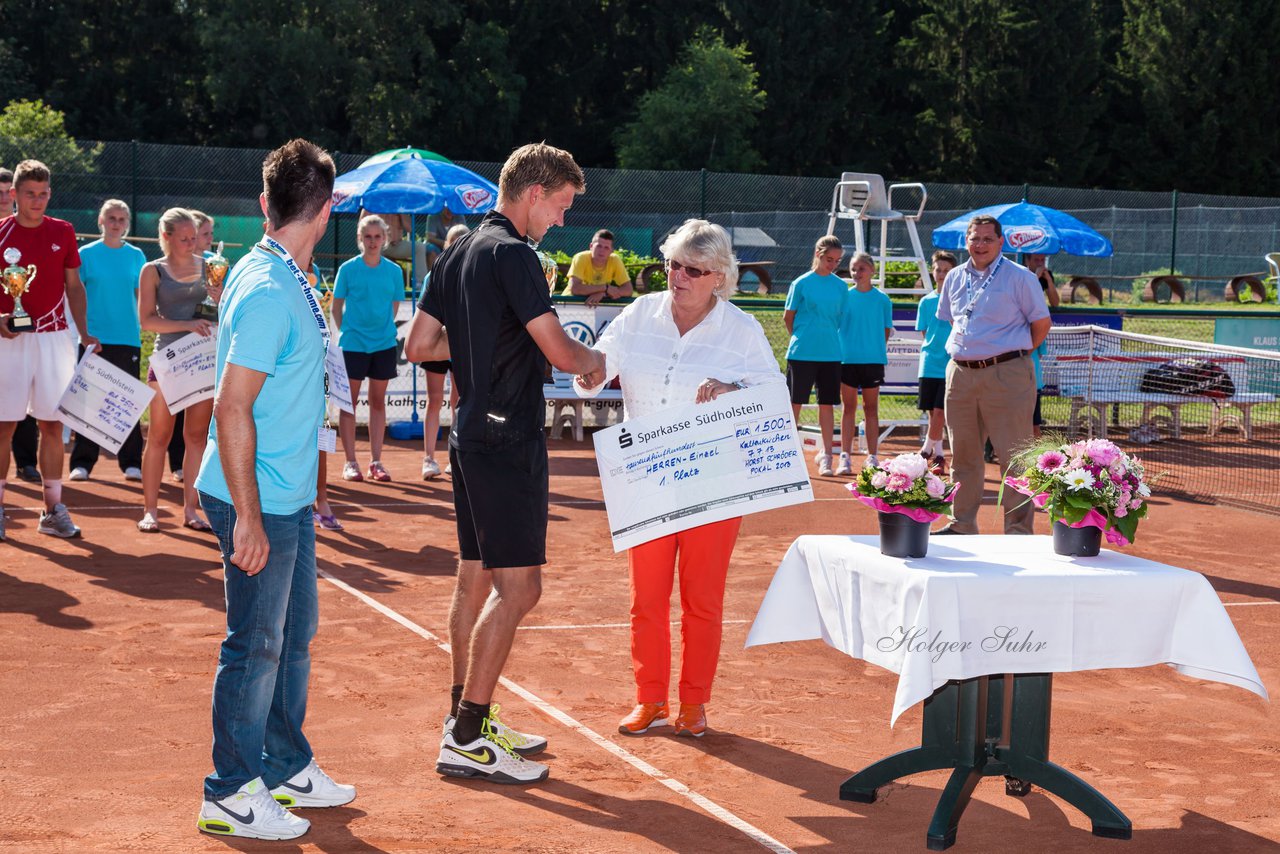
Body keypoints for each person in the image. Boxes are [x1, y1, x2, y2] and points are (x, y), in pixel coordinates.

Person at [404, 141, 603, 785]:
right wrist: (609, 360)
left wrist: (473, 364)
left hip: (468, 435)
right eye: (563, 206)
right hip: (505, 438)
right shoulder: (516, 255)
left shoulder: (458, 250)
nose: (563, 221)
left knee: (476, 579)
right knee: (521, 588)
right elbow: (565, 354)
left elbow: (418, 345)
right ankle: (465, 734)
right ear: (536, 193)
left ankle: (467, 718)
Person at [194, 139, 354, 841]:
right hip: (255, 496)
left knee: (293, 636)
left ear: (267, 206)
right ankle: (230, 791)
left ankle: (284, 764)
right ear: (324, 211)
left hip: (286, 495)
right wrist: (248, 520)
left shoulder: (283, 271)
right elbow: (231, 406)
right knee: (254, 645)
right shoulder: (266, 290)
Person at [575, 219, 784, 738]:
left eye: (693, 269)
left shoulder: (741, 328)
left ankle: (694, 703)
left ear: (719, 277)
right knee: (645, 600)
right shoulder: (638, 312)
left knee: (702, 601)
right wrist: (590, 372)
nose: (679, 276)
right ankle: (650, 700)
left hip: (713, 483)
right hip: (644, 477)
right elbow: (602, 361)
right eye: (673, 264)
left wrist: (732, 387)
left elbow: (774, 393)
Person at [0, 159, 99, 540]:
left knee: (52, 424)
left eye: (43, 194)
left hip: (56, 338)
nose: (37, 201)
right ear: (15, 195)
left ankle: (53, 510)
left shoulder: (63, 231)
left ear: (50, 194)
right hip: (9, 342)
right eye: (29, 194)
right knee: (4, 425)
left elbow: (73, 286)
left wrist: (86, 333)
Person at [934, 215, 1051, 536]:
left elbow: (1041, 323)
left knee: (1014, 456)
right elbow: (952, 321)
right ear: (966, 241)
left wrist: (1014, 356)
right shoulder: (954, 278)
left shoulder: (1020, 277)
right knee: (963, 456)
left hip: (1008, 374)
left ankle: (1017, 531)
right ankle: (961, 525)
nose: (980, 245)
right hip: (960, 375)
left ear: (1002, 243)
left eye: (988, 239)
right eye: (975, 238)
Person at [137, 208, 217, 533]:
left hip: (202, 361)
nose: (191, 243)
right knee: (158, 436)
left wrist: (218, 298)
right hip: (168, 362)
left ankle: (191, 510)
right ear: (166, 236)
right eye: (183, 238)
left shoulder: (211, 267)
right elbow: (147, 320)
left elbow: (215, 312)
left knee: (196, 437)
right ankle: (150, 511)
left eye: (194, 237)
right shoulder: (152, 270)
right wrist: (186, 324)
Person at [69, 200, 148, 482]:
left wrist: (142, 324)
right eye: (111, 218)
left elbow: (141, 296)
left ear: (127, 224)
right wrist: (84, 332)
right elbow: (75, 294)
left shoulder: (137, 255)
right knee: (88, 401)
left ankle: (130, 463)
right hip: (93, 338)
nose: (116, 223)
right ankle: (82, 463)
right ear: (101, 221)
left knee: (127, 401)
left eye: (121, 219)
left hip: (128, 337)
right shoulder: (85, 255)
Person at [332, 214, 402, 483]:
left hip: (384, 344)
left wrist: (380, 329)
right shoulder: (348, 269)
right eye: (368, 236)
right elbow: (337, 307)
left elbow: (394, 307)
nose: (373, 241)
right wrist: (349, 332)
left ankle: (376, 462)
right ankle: (350, 462)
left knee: (377, 402)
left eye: (377, 236)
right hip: (353, 345)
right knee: (348, 404)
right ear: (360, 238)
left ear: (385, 239)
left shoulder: (394, 272)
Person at [784, 235, 845, 477]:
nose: (832, 264)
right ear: (818, 254)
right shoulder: (800, 284)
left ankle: (826, 455)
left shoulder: (841, 287)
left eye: (837, 261)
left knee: (827, 404)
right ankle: (788, 456)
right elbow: (789, 318)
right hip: (801, 354)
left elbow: (839, 319)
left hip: (830, 354)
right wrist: (803, 338)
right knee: (794, 403)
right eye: (829, 259)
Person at [419, 222, 469, 480]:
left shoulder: (473, 274)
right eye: (455, 242)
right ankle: (428, 458)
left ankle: (454, 458)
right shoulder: (433, 275)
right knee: (435, 400)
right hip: (436, 344)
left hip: (461, 346)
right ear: (447, 245)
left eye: (465, 241)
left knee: (459, 402)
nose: (459, 246)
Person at [838, 252, 895, 474]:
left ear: (871, 270)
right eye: (853, 268)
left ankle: (872, 457)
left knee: (871, 408)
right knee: (848, 408)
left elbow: (885, 331)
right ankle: (845, 456)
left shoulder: (882, 299)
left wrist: (873, 349)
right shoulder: (844, 297)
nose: (857, 273)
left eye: (861, 268)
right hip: (847, 360)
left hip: (872, 361)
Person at [915, 251, 956, 474]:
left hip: (950, 365)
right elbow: (925, 333)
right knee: (933, 414)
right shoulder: (925, 301)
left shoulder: (958, 300)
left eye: (946, 271)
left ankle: (925, 451)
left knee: (940, 412)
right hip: (928, 363)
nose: (941, 274)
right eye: (938, 269)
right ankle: (939, 455)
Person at [565, 229, 634, 306]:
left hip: (597, 307)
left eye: (606, 248)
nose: (602, 250)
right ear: (591, 246)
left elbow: (628, 290)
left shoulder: (615, 260)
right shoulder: (581, 258)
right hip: (570, 304)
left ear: (611, 251)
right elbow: (575, 289)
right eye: (599, 246)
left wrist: (603, 293)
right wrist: (605, 288)